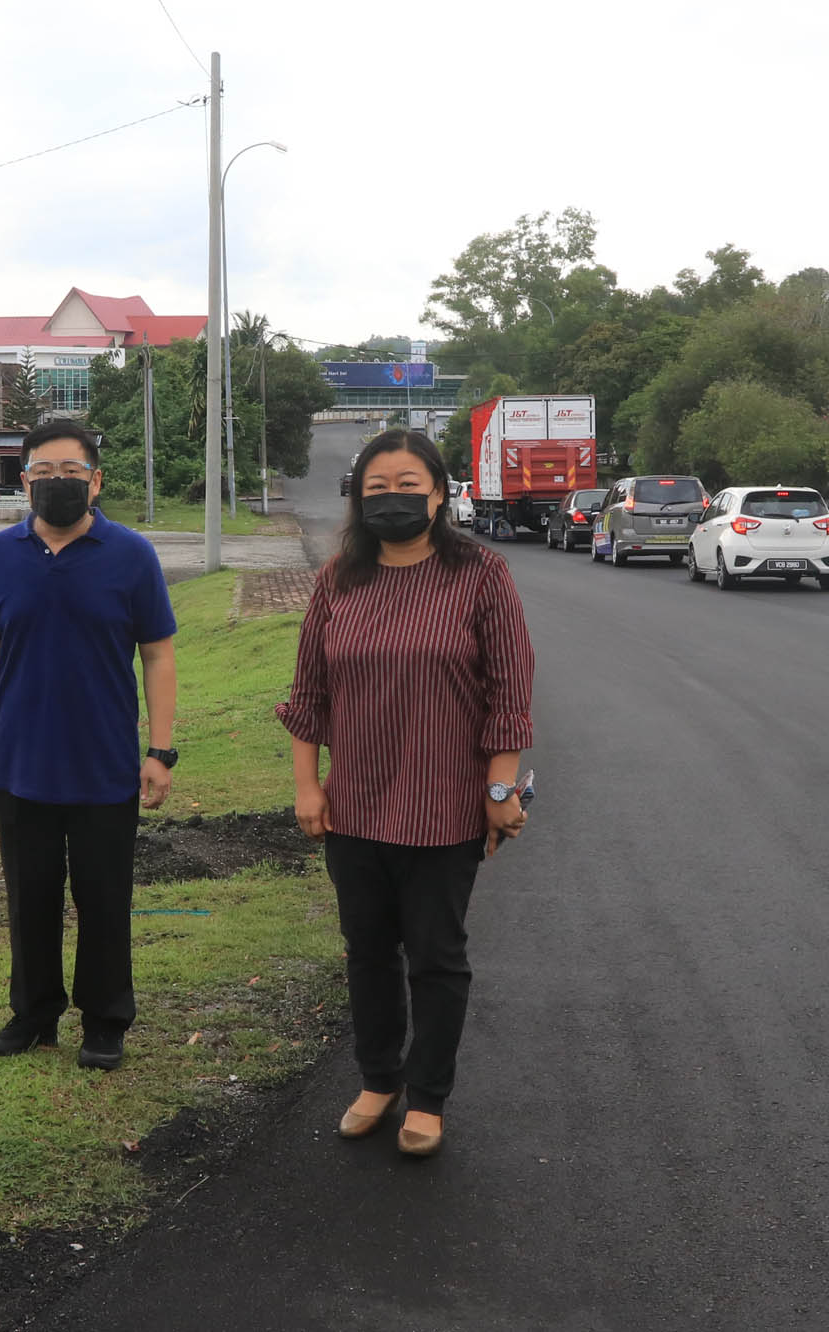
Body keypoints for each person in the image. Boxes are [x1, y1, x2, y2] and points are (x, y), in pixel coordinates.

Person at [277, 429, 534, 1158]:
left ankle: (428, 1097)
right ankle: (378, 1079)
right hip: (354, 805)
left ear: (441, 493)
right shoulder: (338, 581)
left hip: (444, 805)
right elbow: (308, 698)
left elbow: (509, 696)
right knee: (367, 952)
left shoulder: (481, 575)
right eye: (376, 488)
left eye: (407, 486)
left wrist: (499, 788)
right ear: (359, 498)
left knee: (436, 956)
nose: (392, 500)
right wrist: (308, 787)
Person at [0, 419, 178, 1072]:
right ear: (24, 481)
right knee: (29, 897)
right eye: (46, 474)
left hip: (106, 765)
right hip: (22, 765)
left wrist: (160, 750)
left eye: (73, 474)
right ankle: (33, 1013)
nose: (59, 485)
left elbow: (158, 656)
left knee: (104, 898)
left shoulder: (132, 555)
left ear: (96, 481)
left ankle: (106, 1019)